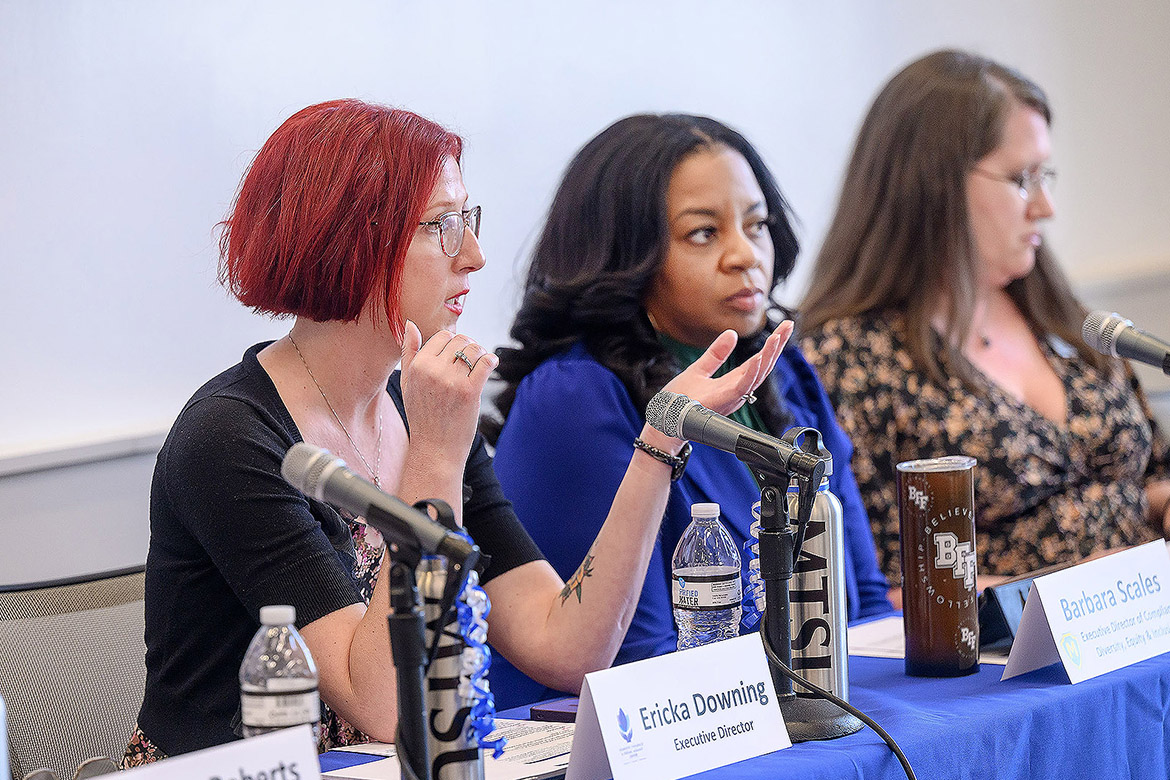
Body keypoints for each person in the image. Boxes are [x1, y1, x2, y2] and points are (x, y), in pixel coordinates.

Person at [121, 100, 787, 763]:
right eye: (441, 225)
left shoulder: (423, 404)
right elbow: (383, 704)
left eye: (467, 220)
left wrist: (659, 443)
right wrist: (435, 455)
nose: (474, 255)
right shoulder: (232, 438)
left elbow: (567, 646)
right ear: (347, 241)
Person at [485, 113, 893, 708]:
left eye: (757, 225)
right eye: (704, 233)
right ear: (626, 256)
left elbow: (865, 607)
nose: (745, 254)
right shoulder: (574, 397)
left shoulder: (783, 369)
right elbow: (639, 662)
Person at [799, 50, 1170, 589]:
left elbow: (1151, 472)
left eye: (1047, 176)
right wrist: (1063, 591)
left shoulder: (1060, 317)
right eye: (1022, 178)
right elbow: (872, 592)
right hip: (999, 664)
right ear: (934, 184)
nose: (1045, 206)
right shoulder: (849, 360)